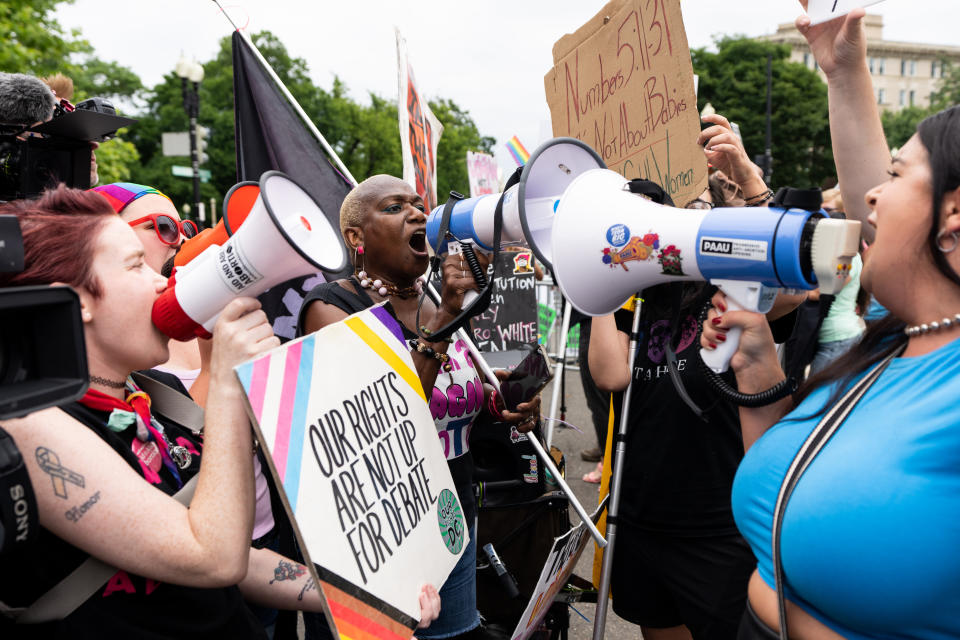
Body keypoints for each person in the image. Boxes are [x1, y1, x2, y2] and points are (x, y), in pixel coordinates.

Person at [0, 186, 440, 638]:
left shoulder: (154, 394)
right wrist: (229, 383)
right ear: (78, 302)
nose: (158, 280)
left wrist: (356, 596)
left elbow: (234, 551)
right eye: (135, 265)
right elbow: (212, 556)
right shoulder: (32, 426)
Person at [699, 5, 960, 638]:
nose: (870, 196)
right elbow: (791, 491)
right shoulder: (897, 344)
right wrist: (760, 373)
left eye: (896, 176)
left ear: (954, 219)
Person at [588, 114, 804, 640]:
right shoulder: (632, 297)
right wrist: (594, 275)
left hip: (717, 521)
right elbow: (610, 374)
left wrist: (746, 178)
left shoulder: (729, 283)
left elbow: (793, 281)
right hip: (642, 513)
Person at [297, 174, 541, 640]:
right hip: (378, 530)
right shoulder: (331, 308)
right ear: (355, 237)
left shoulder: (437, 297)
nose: (417, 213)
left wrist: (501, 401)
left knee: (453, 633)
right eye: (394, 207)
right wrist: (446, 318)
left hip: (452, 513)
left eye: (418, 204)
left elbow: (449, 396)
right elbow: (383, 421)